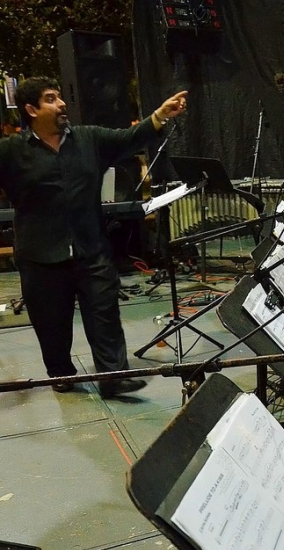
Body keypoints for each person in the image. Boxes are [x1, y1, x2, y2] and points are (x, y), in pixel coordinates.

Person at [0, 76, 187, 396]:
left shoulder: (88, 139)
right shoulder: (11, 151)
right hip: (39, 254)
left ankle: (113, 376)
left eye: (59, 97)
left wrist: (159, 115)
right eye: (50, 99)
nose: (61, 104)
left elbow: (129, 137)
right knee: (51, 323)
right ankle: (60, 373)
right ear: (31, 109)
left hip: (91, 247)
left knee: (104, 314)